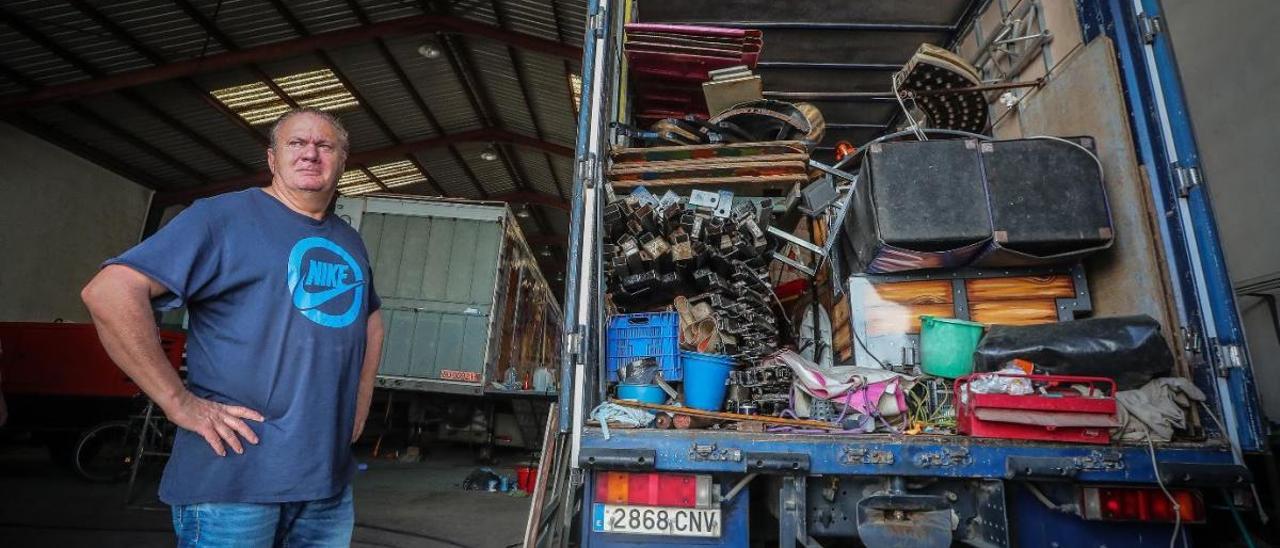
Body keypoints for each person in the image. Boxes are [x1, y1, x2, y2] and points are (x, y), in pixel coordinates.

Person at [81, 107, 384, 547]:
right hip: (233, 482)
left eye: (325, 145)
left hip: (325, 487)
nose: (310, 153)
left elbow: (371, 318)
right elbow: (109, 292)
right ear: (272, 158)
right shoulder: (221, 217)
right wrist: (178, 402)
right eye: (296, 143)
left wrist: (361, 399)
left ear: (342, 161)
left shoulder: (348, 240)